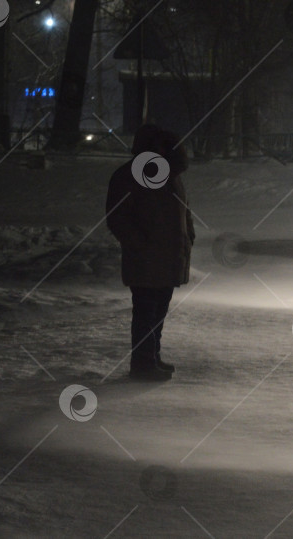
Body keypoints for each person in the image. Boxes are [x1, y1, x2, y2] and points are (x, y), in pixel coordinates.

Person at [106, 124, 195, 381]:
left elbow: (184, 210)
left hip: (169, 256)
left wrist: (188, 235)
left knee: (158, 310)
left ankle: (151, 356)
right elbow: (117, 216)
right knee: (146, 310)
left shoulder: (171, 175)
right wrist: (138, 243)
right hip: (146, 258)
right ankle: (143, 363)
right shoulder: (131, 175)